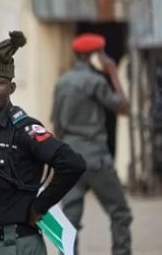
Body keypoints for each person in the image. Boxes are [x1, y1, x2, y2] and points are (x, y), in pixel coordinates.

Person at [0, 31, 86, 255]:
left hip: (15, 245)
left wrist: (41, 206)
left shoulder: (23, 129)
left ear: (11, 89)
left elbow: (72, 163)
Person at [52, 33, 132, 255]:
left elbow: (57, 125)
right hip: (96, 158)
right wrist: (113, 72)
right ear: (95, 55)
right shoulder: (96, 81)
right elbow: (123, 107)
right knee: (120, 213)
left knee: (70, 220)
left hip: (70, 158)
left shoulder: (62, 82)